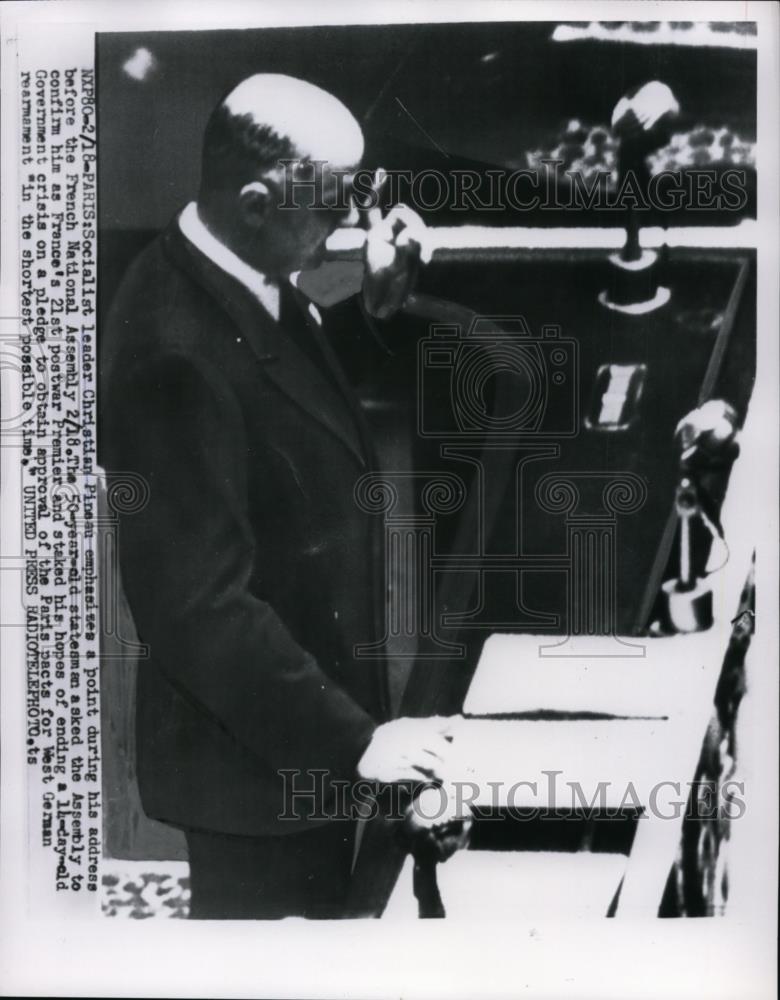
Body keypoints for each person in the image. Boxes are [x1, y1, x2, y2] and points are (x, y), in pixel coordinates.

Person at [100, 74, 453, 919]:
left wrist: (374, 303)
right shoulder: (170, 355)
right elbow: (200, 611)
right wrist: (359, 744)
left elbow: (292, 407)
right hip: (258, 775)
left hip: (303, 734)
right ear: (257, 202)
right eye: (334, 205)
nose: (352, 223)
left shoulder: (240, 268)